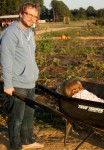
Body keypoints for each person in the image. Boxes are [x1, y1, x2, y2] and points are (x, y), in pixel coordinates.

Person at [0, 2, 44, 150]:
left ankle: (27, 141)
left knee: (28, 116)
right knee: (16, 118)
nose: (32, 18)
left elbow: (30, 56)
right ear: (21, 13)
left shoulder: (30, 32)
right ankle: (15, 146)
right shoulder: (11, 32)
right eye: (29, 14)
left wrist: (34, 73)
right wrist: (8, 84)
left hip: (30, 82)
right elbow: (6, 58)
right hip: (17, 82)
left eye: (35, 16)